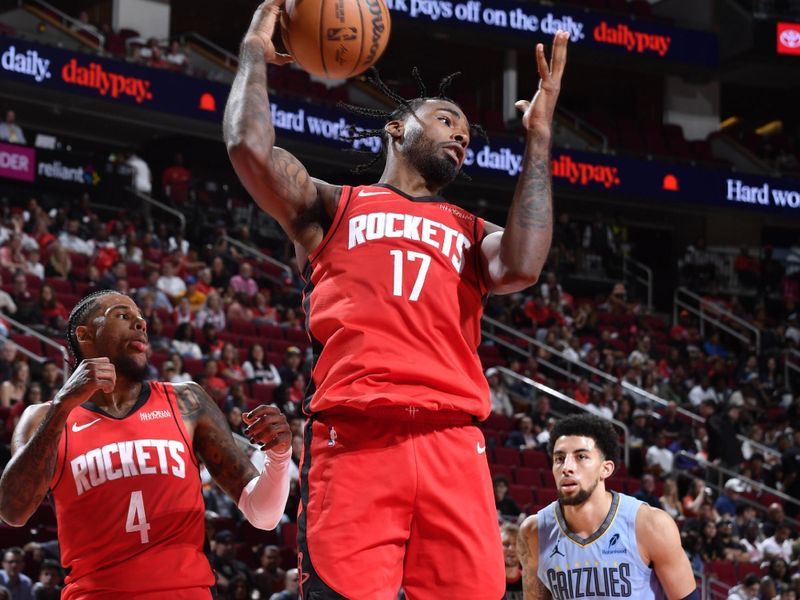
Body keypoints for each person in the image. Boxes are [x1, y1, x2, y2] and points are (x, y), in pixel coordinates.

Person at [224, 2, 568, 596]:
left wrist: (538, 138)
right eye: (443, 119)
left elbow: (524, 263)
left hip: (452, 445)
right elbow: (249, 150)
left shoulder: (470, 231)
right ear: (396, 129)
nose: (459, 134)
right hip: (357, 440)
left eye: (464, 131)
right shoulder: (334, 206)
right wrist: (255, 48)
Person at [0, 290, 293, 598]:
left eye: (141, 319)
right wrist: (62, 406)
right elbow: (12, 511)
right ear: (84, 335)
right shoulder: (43, 417)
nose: (140, 324)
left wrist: (278, 456)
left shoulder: (186, 401)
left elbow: (263, 515)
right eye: (123, 316)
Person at [517, 414, 698, 599]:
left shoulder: (650, 524)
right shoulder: (533, 531)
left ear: (606, 469)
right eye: (559, 458)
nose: (567, 467)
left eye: (581, 457)